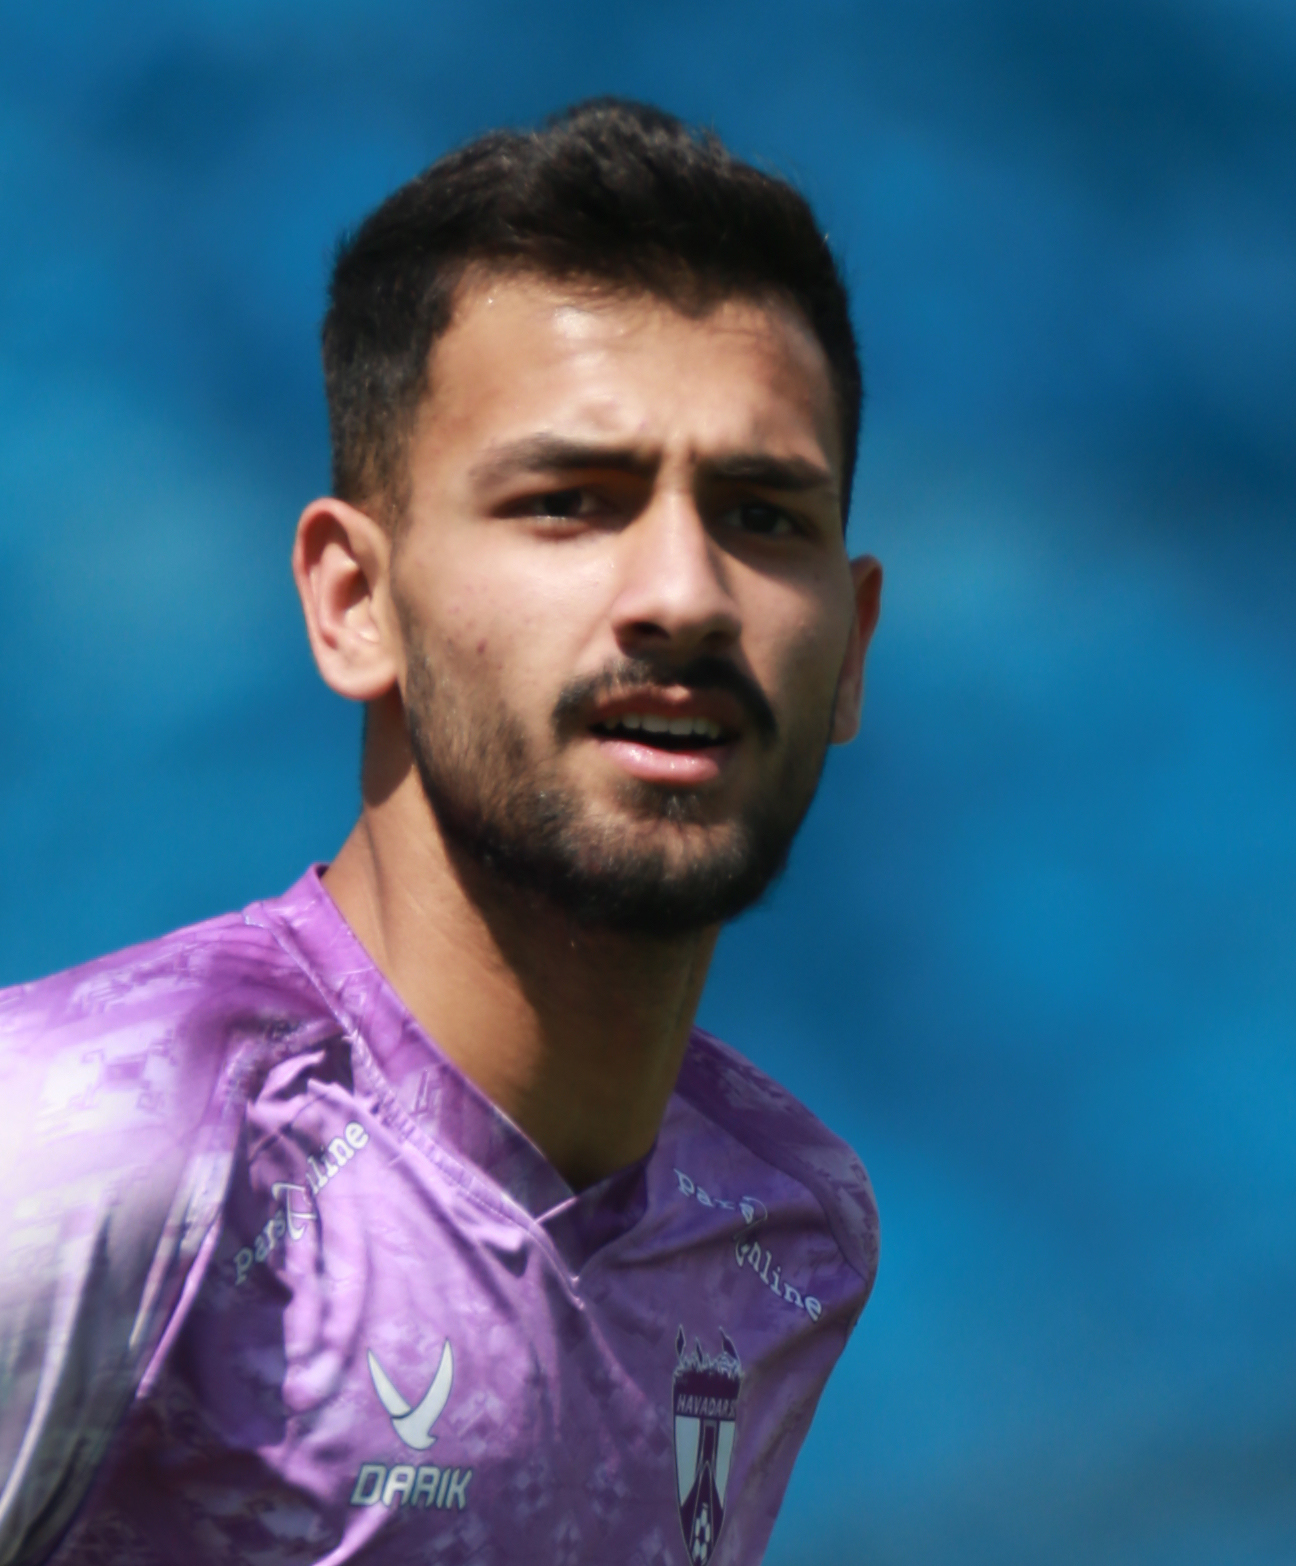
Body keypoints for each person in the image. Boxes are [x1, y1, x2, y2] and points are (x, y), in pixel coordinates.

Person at [0, 98, 883, 1566]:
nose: (684, 594)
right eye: (569, 502)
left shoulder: (781, 1228)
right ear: (356, 601)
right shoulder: (88, 1149)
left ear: (850, 647)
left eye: (761, 515)